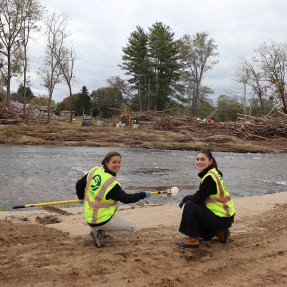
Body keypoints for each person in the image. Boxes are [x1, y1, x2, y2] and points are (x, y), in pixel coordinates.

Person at [76, 151, 150, 248]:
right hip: (99, 219)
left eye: (119, 162)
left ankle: (97, 229)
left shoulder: (95, 170)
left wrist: (81, 197)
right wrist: (143, 194)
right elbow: (127, 199)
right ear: (107, 162)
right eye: (114, 162)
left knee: (117, 200)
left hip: (89, 213)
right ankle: (101, 232)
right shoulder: (111, 184)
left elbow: (79, 184)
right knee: (132, 228)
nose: (117, 165)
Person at [176, 149, 235, 248]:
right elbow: (204, 195)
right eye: (197, 159)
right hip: (226, 217)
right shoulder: (216, 172)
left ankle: (193, 239)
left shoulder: (210, 177)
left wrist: (186, 198)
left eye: (202, 159)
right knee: (205, 235)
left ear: (210, 161)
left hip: (221, 218)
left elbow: (198, 199)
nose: (199, 162)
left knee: (190, 206)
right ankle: (221, 232)